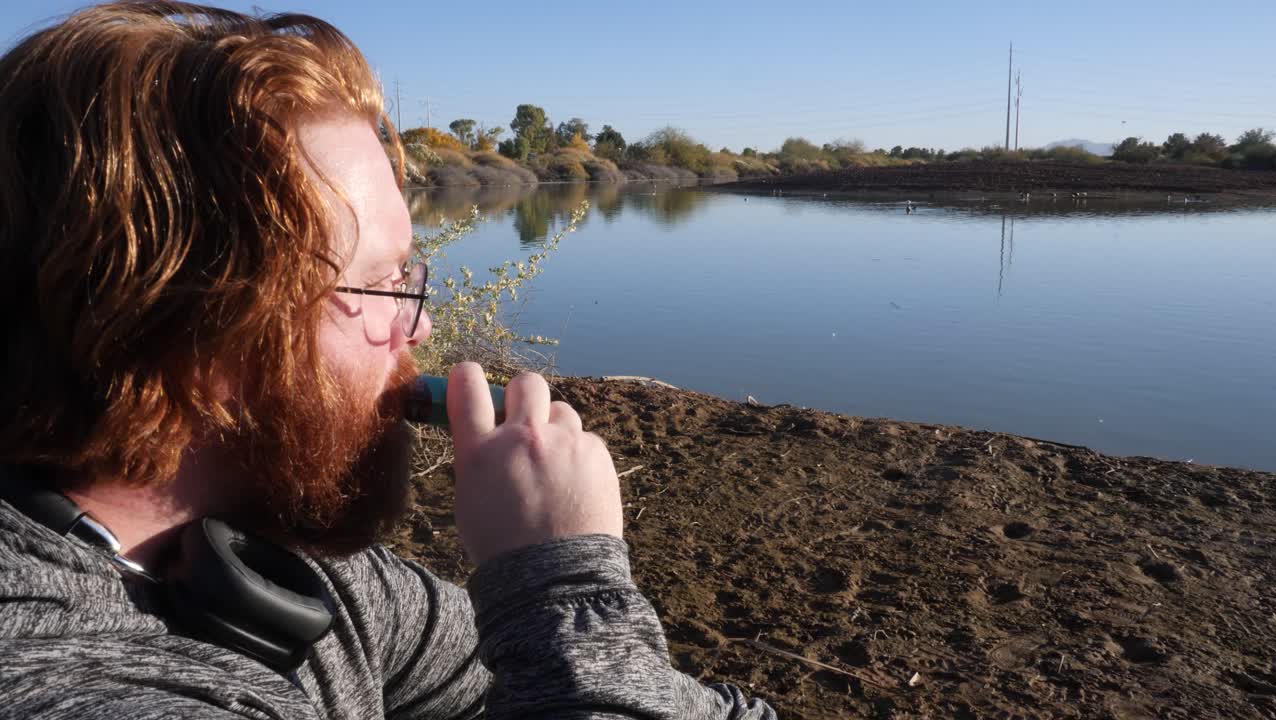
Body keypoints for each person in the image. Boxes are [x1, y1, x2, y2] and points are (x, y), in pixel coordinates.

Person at [0, 3, 777, 718]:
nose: (421, 326)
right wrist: (564, 579)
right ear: (185, 331)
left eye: (410, 276)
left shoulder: (290, 577)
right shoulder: (58, 676)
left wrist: (557, 630)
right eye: (380, 284)